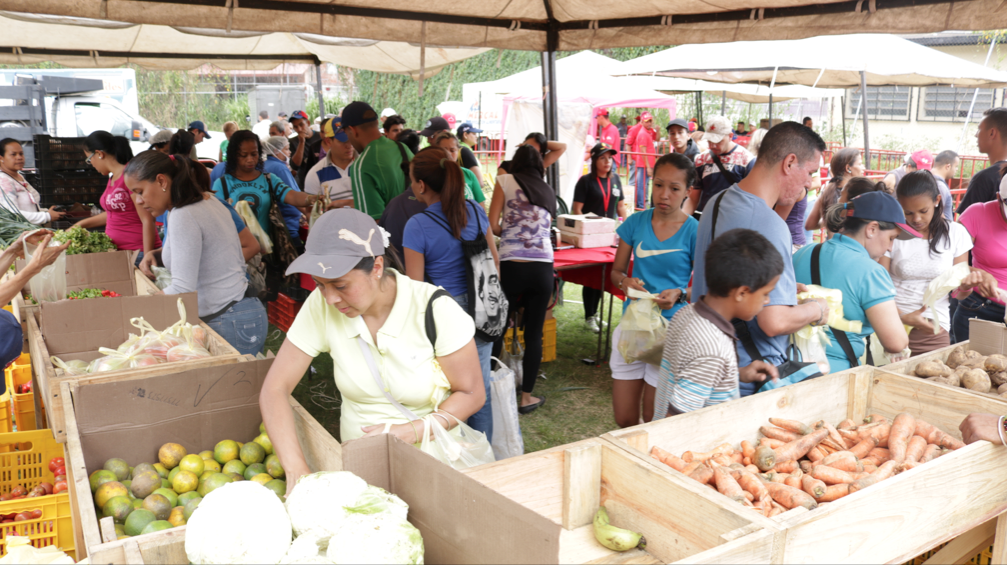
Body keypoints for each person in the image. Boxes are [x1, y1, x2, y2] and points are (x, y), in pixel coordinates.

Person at [260, 209, 485, 491]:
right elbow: (274, 389)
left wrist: (409, 432)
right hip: (360, 471)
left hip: (431, 462)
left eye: (340, 285)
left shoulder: (434, 309)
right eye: (320, 285)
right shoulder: (321, 307)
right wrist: (297, 471)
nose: (330, 298)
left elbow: (472, 392)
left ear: (377, 268)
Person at [691, 122, 830, 396]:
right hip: (751, 376)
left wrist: (784, 290)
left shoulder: (716, 202)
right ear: (790, 162)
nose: (808, 183)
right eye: (810, 172)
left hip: (710, 361)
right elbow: (773, 321)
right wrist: (817, 309)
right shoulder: (770, 225)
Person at [124, 152, 268, 356]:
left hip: (230, 320)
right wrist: (158, 254)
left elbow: (183, 288)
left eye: (140, 191)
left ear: (161, 181)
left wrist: (134, 312)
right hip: (239, 314)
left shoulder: (184, 214)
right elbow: (204, 250)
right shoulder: (206, 200)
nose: (138, 201)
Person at [403, 147, 499, 440]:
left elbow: (415, 287)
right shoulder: (475, 210)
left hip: (444, 314)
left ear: (421, 185)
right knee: (477, 388)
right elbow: (494, 262)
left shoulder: (417, 226)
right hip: (483, 307)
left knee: (447, 389)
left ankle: (462, 460)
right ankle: (483, 458)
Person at [609, 153, 699, 427]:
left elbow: (706, 288)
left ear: (687, 192)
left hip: (670, 334)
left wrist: (680, 294)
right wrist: (626, 282)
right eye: (658, 185)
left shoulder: (694, 230)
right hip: (633, 329)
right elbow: (616, 272)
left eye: (674, 188)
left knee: (653, 420)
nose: (664, 194)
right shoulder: (635, 223)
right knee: (624, 419)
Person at [655, 229, 781, 418]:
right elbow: (675, 421)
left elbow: (694, 374)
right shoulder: (712, 349)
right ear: (742, 293)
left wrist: (737, 374)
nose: (767, 301)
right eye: (765, 293)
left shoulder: (687, 313)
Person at [794, 192, 913, 372]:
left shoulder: (804, 252)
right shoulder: (871, 272)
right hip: (832, 375)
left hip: (789, 367)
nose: (890, 247)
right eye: (891, 238)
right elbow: (896, 343)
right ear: (871, 229)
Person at [881, 171, 978, 355]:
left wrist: (966, 287)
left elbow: (958, 295)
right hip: (890, 323)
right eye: (908, 212)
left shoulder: (956, 234)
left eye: (923, 211)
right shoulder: (891, 233)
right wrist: (901, 315)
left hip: (933, 326)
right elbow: (879, 286)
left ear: (937, 200)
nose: (916, 219)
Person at [489, 145, 555, 414]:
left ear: (516, 163)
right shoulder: (548, 190)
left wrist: (511, 231)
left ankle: (490, 389)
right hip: (543, 268)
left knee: (498, 326)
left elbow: (492, 223)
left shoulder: (505, 181)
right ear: (539, 166)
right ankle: (527, 396)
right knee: (535, 333)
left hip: (511, 265)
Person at [211, 131, 317, 238]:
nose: (250, 159)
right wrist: (233, 211)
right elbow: (214, 217)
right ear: (233, 156)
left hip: (267, 248)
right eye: (243, 155)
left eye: (254, 154)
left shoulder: (269, 179)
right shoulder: (222, 184)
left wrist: (311, 199)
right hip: (239, 248)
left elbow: (293, 196)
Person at [76, 131, 160, 263]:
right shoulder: (113, 178)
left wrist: (147, 257)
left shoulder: (130, 176)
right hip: (121, 253)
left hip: (137, 253)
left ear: (99, 154)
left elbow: (147, 219)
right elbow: (113, 213)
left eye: (89, 159)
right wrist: (80, 224)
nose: (91, 164)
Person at [573, 142, 629, 333]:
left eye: (610, 158)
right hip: (591, 236)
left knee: (605, 274)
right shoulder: (585, 181)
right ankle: (590, 315)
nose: (607, 162)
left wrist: (627, 227)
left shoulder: (615, 180)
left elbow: (620, 206)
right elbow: (577, 209)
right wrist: (586, 227)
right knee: (592, 276)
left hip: (609, 235)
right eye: (602, 158)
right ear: (595, 160)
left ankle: (595, 314)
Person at [950, 173, 1007, 342]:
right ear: (998, 198)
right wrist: (980, 275)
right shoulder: (977, 214)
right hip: (981, 308)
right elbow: (946, 262)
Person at [344, 101, 413, 220]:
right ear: (376, 122)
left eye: (346, 134)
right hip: (416, 230)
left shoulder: (361, 167)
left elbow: (372, 222)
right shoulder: (402, 148)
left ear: (352, 130)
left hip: (392, 236)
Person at [685, 116, 755, 218]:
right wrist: (680, 221)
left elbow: (754, 199)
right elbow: (693, 199)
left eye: (717, 141)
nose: (712, 145)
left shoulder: (747, 160)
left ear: (730, 136)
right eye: (709, 140)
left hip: (738, 222)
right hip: (708, 221)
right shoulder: (701, 160)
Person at [0, 139, 65, 225]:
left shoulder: (19, 176)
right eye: (13, 154)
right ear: (1, 158)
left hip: (32, 232)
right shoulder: (3, 180)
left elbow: (28, 208)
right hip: (21, 235)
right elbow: (13, 215)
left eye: (21, 154)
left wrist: (46, 212)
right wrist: (47, 216)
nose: (19, 157)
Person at [261, 136, 309, 249]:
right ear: (276, 151)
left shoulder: (265, 165)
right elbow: (294, 195)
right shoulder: (279, 167)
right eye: (287, 149)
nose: (290, 152)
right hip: (287, 225)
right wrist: (310, 214)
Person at [958, 107, 1007, 214]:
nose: (976, 134)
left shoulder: (985, 178)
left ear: (992, 133)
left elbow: (965, 226)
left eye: (979, 129)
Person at [805, 148, 865, 232]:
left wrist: (829, 221)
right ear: (848, 168)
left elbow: (809, 225)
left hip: (831, 243)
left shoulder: (827, 190)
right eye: (860, 164)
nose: (863, 168)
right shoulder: (858, 194)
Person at [304, 117, 355, 209]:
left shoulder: (365, 166)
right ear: (328, 141)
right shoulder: (315, 174)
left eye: (351, 139)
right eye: (342, 141)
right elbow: (311, 212)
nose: (349, 145)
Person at [430, 132, 486, 205]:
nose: (449, 153)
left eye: (452, 150)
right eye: (444, 150)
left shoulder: (468, 174)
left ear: (458, 151)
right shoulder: (432, 176)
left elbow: (481, 206)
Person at [625, 112, 660, 209]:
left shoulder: (648, 131)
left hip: (643, 162)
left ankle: (641, 203)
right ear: (641, 121)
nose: (649, 123)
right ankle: (638, 204)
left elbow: (656, 139)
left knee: (642, 184)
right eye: (646, 121)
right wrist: (629, 157)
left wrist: (658, 131)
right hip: (641, 162)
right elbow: (642, 151)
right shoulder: (641, 132)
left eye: (650, 121)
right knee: (638, 183)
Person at [288, 111, 321, 187]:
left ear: (308, 123)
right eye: (295, 127)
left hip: (322, 178)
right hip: (305, 182)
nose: (299, 129)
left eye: (301, 125)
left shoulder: (319, 136)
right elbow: (295, 165)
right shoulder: (292, 142)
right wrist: (301, 142)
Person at [928, 150, 958, 221]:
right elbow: (937, 213)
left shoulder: (927, 178)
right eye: (956, 166)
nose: (956, 169)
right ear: (948, 166)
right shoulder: (940, 186)